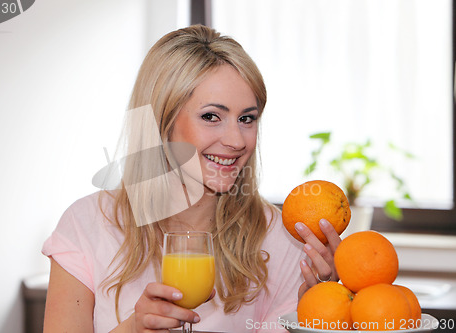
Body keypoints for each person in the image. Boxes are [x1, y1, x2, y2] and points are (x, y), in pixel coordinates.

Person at [42, 25, 341, 333]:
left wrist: (311, 316)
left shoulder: (283, 241)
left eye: (246, 118)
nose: (237, 140)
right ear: (162, 122)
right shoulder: (88, 225)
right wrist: (132, 328)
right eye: (211, 116)